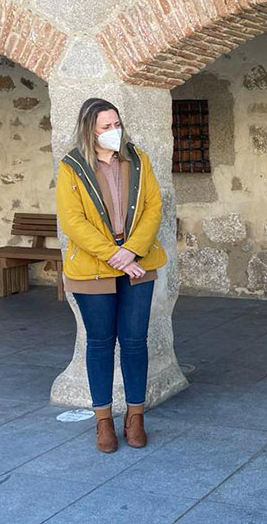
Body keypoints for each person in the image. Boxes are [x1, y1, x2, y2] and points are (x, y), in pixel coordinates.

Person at [56, 98, 167, 453]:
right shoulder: (72, 167)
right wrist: (116, 256)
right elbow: (73, 222)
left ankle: (135, 416)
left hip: (137, 260)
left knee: (135, 342)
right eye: (105, 127)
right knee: (100, 343)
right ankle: (103, 420)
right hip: (93, 269)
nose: (113, 131)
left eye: (116, 124)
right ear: (90, 130)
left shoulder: (138, 159)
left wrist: (132, 250)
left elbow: (153, 207)